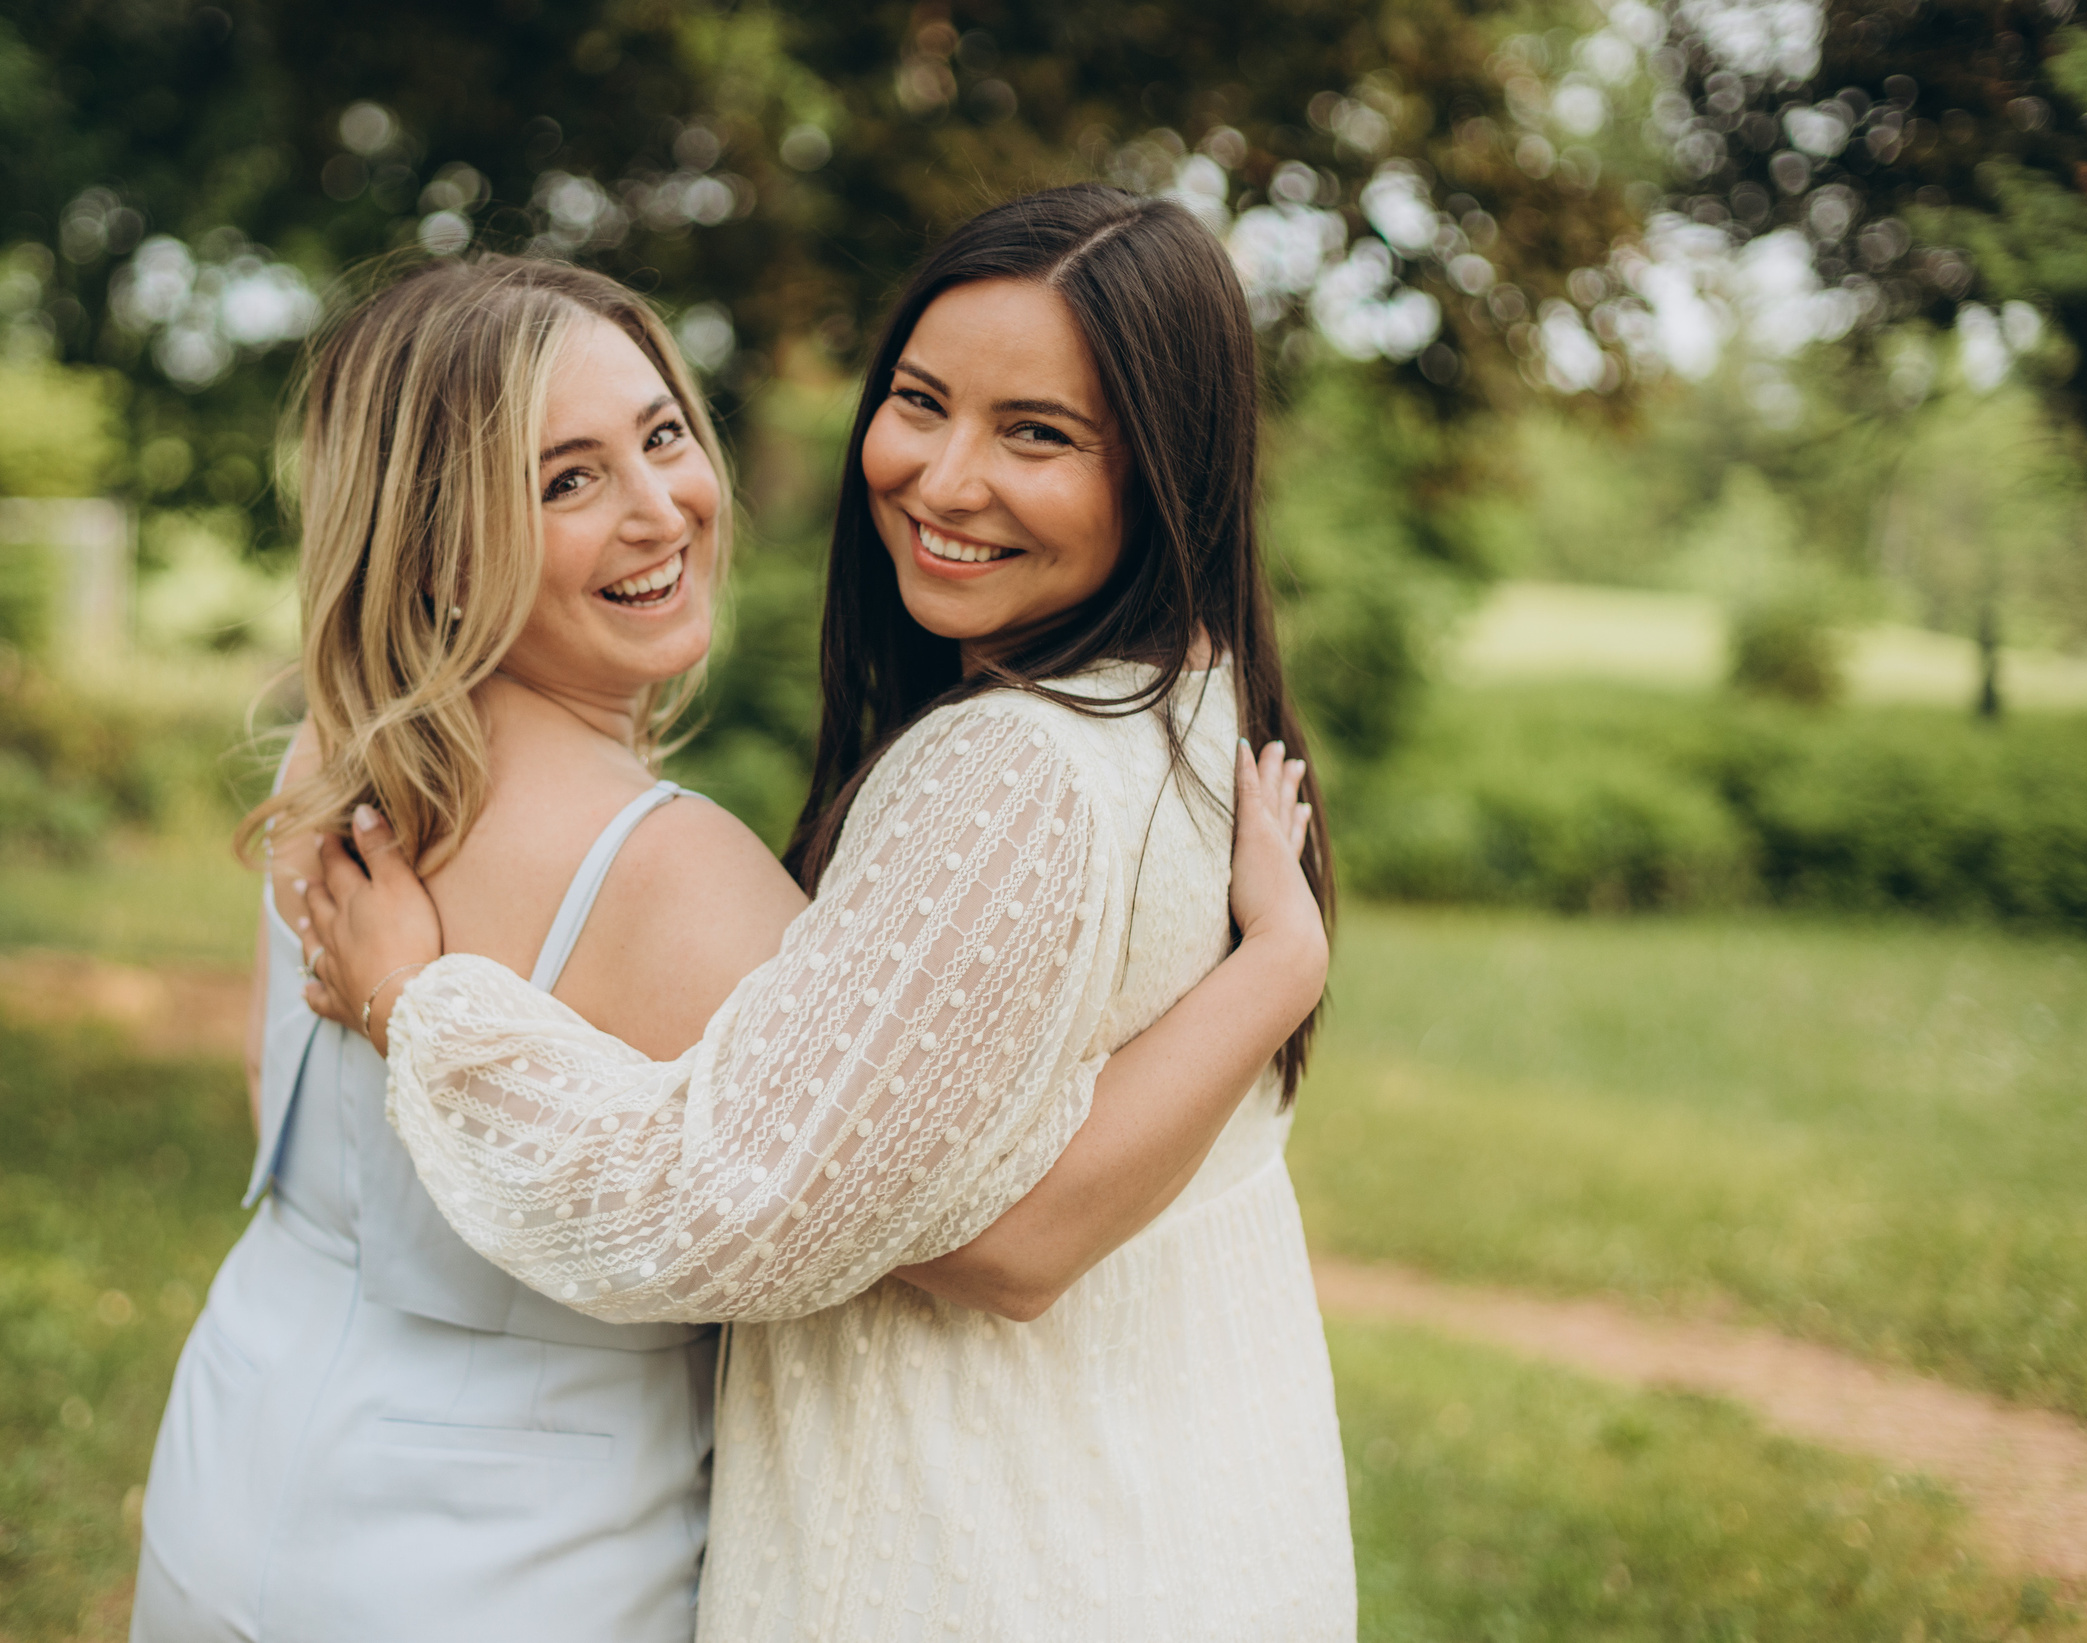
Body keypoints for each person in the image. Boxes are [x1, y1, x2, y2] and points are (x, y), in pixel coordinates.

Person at [298, 185, 1355, 1641]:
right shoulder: (1185, 694)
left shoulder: (1010, 772)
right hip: (1168, 1515)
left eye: (1036, 434)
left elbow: (746, 1203)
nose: (944, 477)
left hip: (979, 1553)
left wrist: (421, 1008)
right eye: (921, 402)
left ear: (1165, 468)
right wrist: (1280, 963)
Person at [128, 256, 800, 1642]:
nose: (658, 507)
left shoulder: (334, 761)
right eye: (567, 480)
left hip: (234, 1464)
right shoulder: (682, 875)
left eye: (662, 436)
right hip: (523, 1560)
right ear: (439, 544)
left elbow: (289, 1117)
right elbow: (900, 1240)